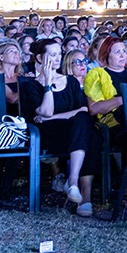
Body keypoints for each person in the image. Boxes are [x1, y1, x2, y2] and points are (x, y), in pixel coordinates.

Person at [19, 38, 95, 216]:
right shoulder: (31, 85)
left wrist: (53, 117)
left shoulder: (71, 82)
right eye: (52, 55)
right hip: (47, 135)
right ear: (39, 58)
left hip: (73, 131)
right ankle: (84, 196)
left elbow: (83, 108)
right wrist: (47, 84)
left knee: (85, 122)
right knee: (88, 134)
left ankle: (74, 181)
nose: (57, 58)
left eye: (58, 54)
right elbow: (45, 111)